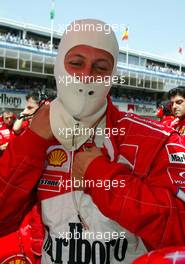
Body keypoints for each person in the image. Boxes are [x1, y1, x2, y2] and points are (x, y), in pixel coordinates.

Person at [0, 19, 185, 264]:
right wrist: (32, 143)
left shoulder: (157, 139)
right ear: (59, 65)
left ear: (112, 75)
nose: (86, 76)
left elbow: (180, 229)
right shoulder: (35, 137)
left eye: (100, 67)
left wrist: (101, 176)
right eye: (76, 63)